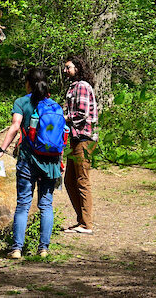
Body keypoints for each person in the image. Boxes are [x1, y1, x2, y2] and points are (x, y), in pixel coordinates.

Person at [0, 68, 63, 259]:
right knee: (46, 205)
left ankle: (16, 249)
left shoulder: (22, 102)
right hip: (50, 162)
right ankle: (43, 249)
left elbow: (15, 126)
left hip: (27, 160)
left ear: (28, 83)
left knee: (23, 205)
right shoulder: (55, 106)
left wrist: (1, 151)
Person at [61, 56, 98, 234]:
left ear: (78, 68)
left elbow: (81, 114)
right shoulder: (74, 87)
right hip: (75, 138)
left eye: (68, 67)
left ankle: (86, 224)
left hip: (84, 139)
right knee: (69, 180)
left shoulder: (82, 86)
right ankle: (81, 220)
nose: (65, 70)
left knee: (82, 180)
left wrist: (62, 118)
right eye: (65, 68)